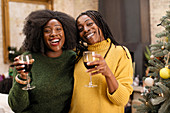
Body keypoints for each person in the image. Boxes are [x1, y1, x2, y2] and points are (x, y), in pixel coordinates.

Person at [8, 9, 77, 113]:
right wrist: (22, 78)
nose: (54, 34)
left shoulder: (73, 58)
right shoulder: (27, 59)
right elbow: (17, 107)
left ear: (66, 32)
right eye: (47, 31)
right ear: (39, 35)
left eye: (58, 29)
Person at [69, 10, 133, 113]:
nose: (85, 29)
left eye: (89, 24)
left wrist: (108, 74)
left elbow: (122, 100)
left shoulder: (120, 52)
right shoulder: (78, 56)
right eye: (80, 29)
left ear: (100, 24)